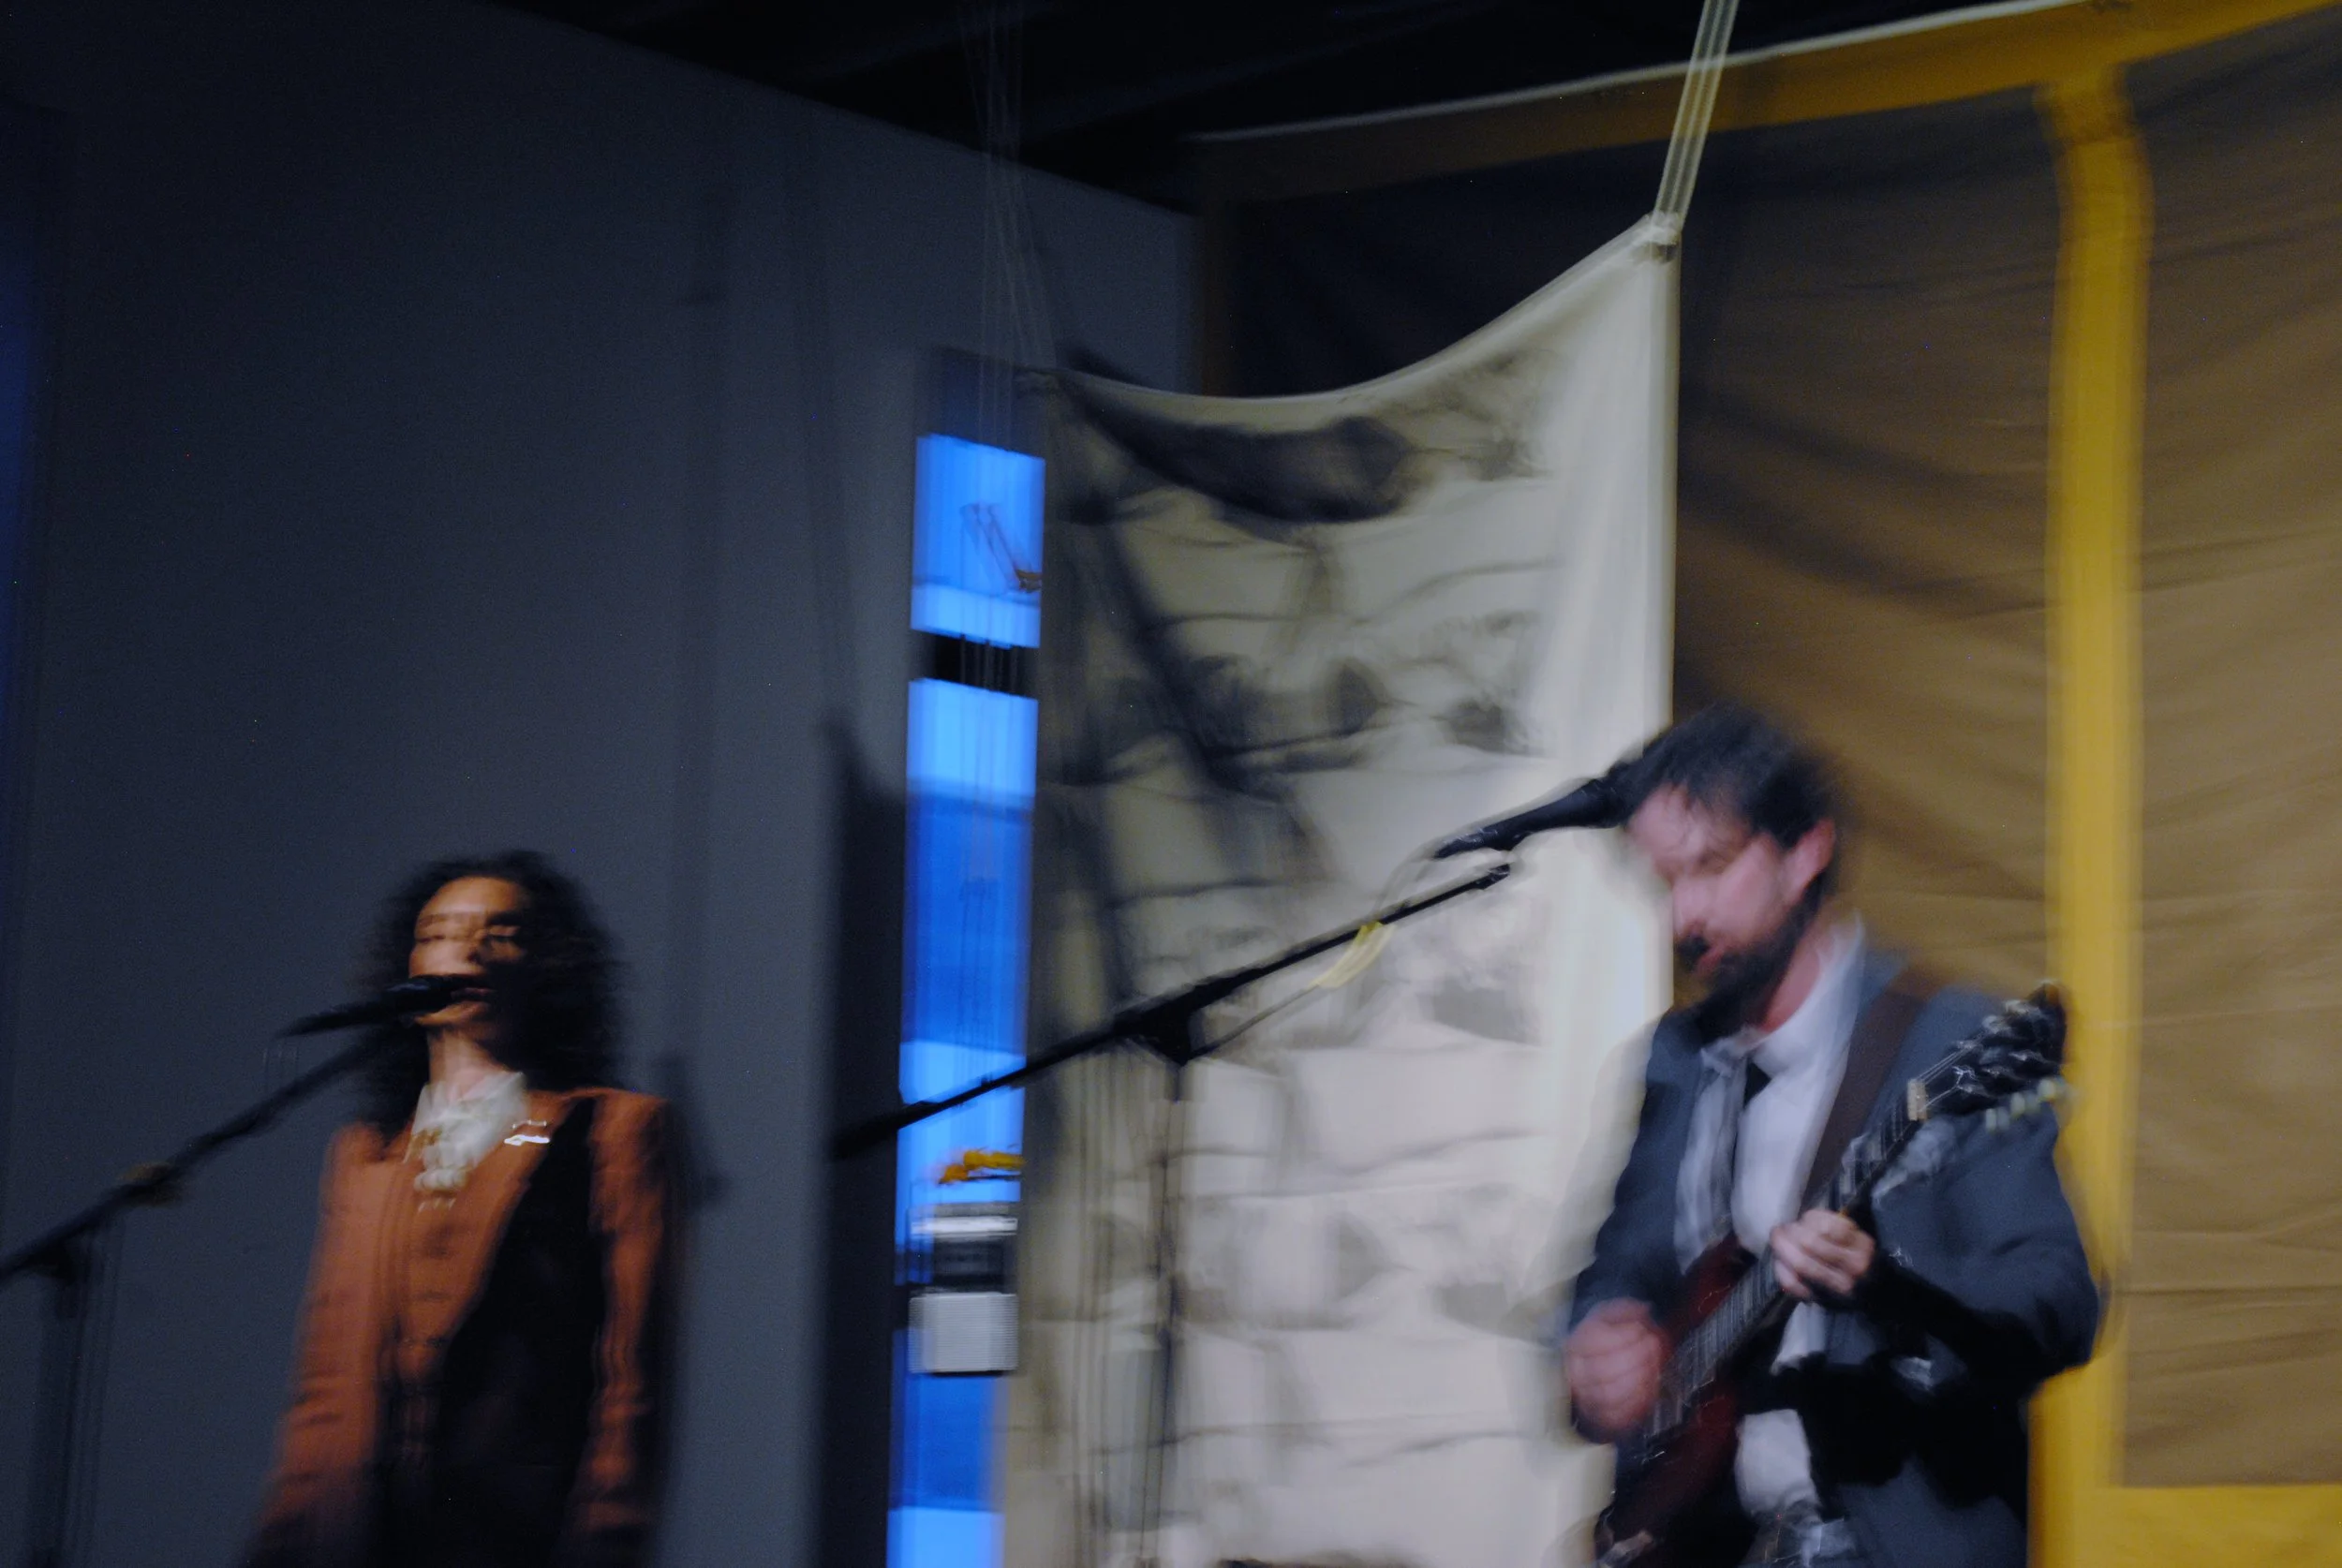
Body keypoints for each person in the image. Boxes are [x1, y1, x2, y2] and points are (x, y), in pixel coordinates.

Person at [1562, 706, 2097, 1568]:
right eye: (1665, 882)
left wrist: (1894, 1289)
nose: (1683, 915)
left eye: (1711, 867)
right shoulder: (1677, 1059)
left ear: (1805, 849)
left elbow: (2057, 1299)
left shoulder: (1947, 1043)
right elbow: (1617, 1270)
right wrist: (1599, 1342)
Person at [246, 852, 674, 1568]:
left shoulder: (613, 1132)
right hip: (361, 1539)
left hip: (520, 1538)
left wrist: (605, 1541)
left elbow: (633, 1378)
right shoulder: (367, 1155)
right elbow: (323, 1387)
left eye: (500, 934)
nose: (467, 950)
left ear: (547, 967)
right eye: (439, 933)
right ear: (411, 964)